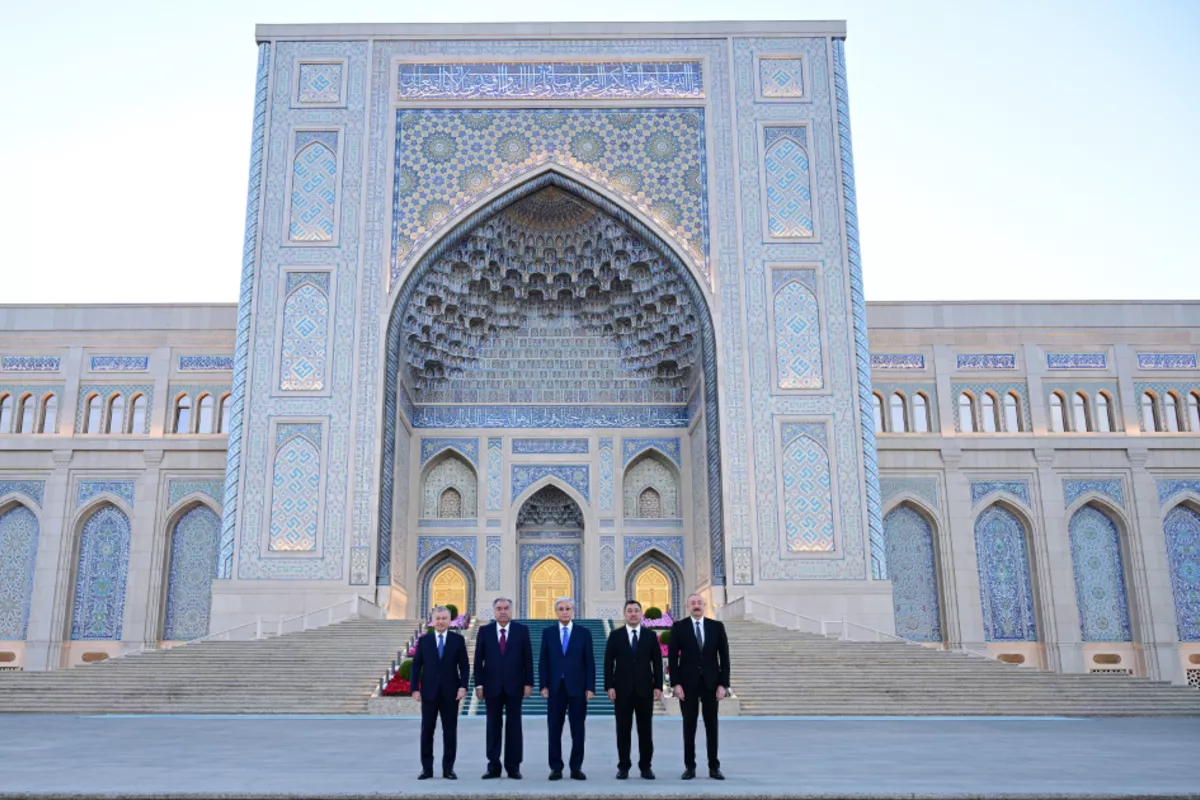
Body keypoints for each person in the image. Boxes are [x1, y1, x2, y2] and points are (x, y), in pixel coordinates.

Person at [668, 593, 730, 780]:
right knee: (689, 727)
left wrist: (723, 684)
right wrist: (676, 684)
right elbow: (672, 657)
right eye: (692, 603)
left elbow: (725, 658)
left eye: (699, 603)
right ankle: (690, 767)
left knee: (712, 726)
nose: (696, 605)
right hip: (688, 685)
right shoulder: (679, 627)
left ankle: (714, 767)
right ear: (687, 606)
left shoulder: (716, 627)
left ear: (704, 605)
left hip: (711, 684)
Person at [473, 597, 533, 779]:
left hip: (515, 687)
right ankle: (493, 766)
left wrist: (528, 683)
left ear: (511, 610)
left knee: (514, 726)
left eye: (506, 608)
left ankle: (513, 766)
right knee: (493, 726)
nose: (503, 611)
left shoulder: (521, 631)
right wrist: (479, 683)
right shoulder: (485, 631)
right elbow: (478, 660)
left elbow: (527, 660)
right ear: (494, 611)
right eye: (499, 608)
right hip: (492, 687)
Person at [604, 599, 663, 780]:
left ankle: (646, 766)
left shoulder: (650, 636)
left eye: (636, 611)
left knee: (645, 731)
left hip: (645, 690)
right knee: (623, 730)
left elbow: (657, 663)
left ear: (641, 613)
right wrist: (609, 686)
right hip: (622, 691)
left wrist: (658, 686)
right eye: (629, 611)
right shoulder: (615, 635)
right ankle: (624, 766)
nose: (633, 614)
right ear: (624, 614)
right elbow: (608, 663)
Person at [538, 597, 594, 781]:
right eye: (561, 609)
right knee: (554, 729)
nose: (564, 611)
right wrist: (543, 684)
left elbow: (589, 662)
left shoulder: (583, 633)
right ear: (556, 612)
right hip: (555, 688)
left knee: (578, 730)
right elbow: (543, 660)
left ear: (573, 611)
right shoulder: (548, 633)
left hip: (577, 688)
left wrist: (590, 687)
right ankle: (556, 767)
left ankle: (576, 767)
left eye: (568, 608)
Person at [410, 606, 469, 780]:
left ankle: (448, 768)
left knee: (450, 732)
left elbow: (464, 666)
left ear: (450, 620)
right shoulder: (424, 640)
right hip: (428, 693)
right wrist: (414, 688)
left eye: (444, 618)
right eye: (438, 618)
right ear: (432, 620)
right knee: (427, 732)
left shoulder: (458, 640)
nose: (441, 622)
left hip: (451, 694)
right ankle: (426, 769)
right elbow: (416, 666)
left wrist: (463, 686)